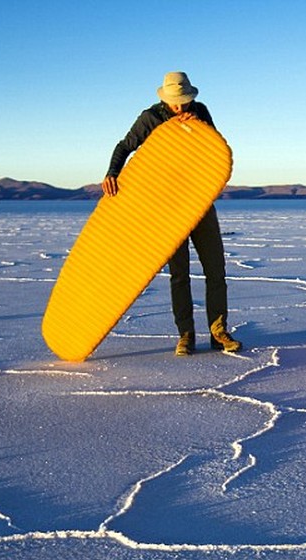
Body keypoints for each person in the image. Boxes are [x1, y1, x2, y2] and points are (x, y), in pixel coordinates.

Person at [101, 71, 241, 356]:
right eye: (176, 102)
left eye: (184, 101)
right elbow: (124, 146)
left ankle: (219, 332)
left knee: (216, 270)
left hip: (199, 201)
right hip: (167, 208)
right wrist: (112, 172)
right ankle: (186, 335)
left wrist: (200, 126)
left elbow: (214, 148)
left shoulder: (200, 111)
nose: (181, 107)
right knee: (179, 275)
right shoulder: (150, 118)